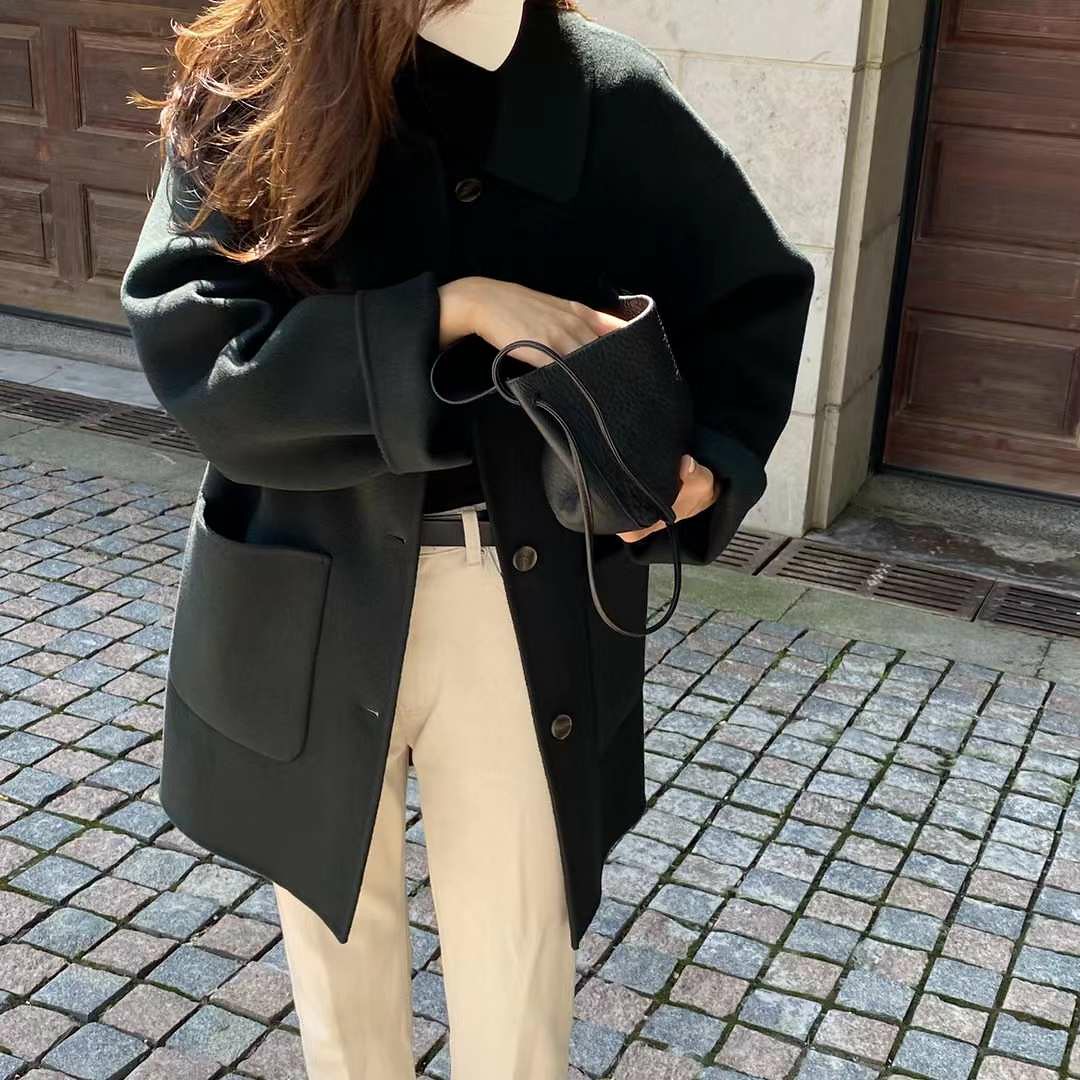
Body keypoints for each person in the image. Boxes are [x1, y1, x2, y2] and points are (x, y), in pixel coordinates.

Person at [119, 0, 815, 1075]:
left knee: (517, 963)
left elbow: (749, 290)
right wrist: (453, 308)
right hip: (305, 584)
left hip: (518, 596)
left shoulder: (601, 89)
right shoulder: (258, 76)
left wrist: (715, 459)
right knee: (337, 953)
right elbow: (200, 350)